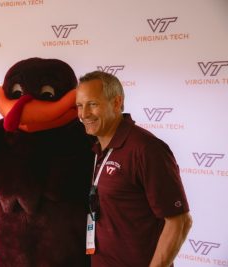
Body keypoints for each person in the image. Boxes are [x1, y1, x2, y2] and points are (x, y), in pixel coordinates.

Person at [75, 71, 192, 267]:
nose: (84, 114)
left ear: (116, 102)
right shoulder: (97, 147)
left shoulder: (146, 149)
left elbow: (179, 222)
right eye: (80, 105)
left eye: (93, 104)